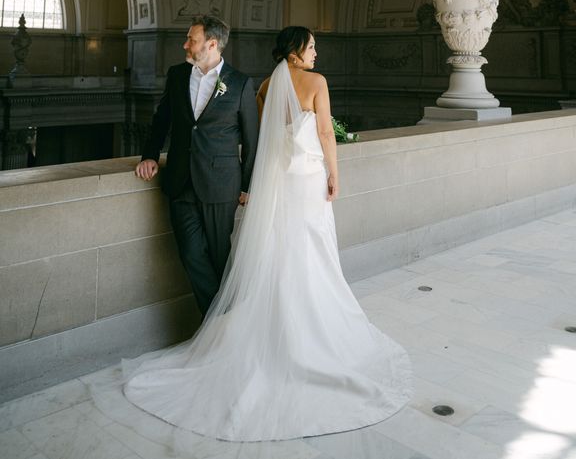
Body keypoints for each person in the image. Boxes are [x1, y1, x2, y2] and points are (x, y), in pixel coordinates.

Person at [124, 26, 412, 442]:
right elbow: (326, 132)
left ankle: (241, 330)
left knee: (276, 255)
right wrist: (334, 171)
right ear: (297, 50)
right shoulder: (316, 82)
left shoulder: (262, 85)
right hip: (306, 181)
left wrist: (252, 180)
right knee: (310, 255)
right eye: (312, 46)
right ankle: (297, 334)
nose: (316, 52)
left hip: (277, 184)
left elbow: (260, 138)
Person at [135, 14, 259, 317]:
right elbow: (162, 120)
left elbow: (253, 140)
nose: (185, 44)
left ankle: (224, 325)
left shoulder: (240, 84)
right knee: (191, 255)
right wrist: (149, 155)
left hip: (221, 185)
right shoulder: (177, 75)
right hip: (179, 181)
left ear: (212, 44)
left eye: (192, 39)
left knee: (219, 257)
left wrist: (247, 185)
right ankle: (219, 325)